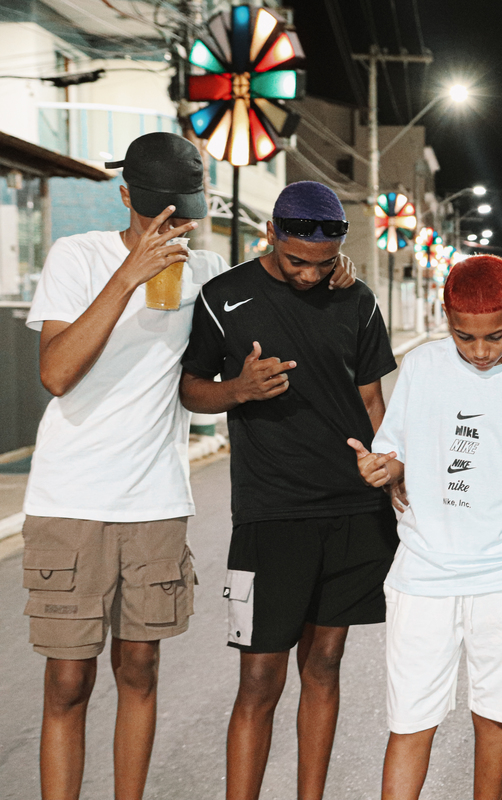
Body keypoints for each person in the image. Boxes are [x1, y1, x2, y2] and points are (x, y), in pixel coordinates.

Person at [179, 181, 397, 800]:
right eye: (297, 260)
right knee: (258, 680)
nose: (309, 275)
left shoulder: (356, 298)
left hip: (352, 509)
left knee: (324, 664)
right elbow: (191, 388)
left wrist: (391, 470)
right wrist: (238, 390)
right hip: (269, 514)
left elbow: (372, 401)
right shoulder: (224, 298)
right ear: (270, 234)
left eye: (322, 264)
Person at [19, 131, 209, 800]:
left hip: (155, 501)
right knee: (68, 680)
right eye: (159, 210)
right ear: (126, 196)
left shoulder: (206, 270)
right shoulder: (77, 256)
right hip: (70, 499)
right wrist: (128, 276)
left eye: (183, 212)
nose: (172, 225)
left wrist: (336, 268)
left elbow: (277, 285)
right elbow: (56, 373)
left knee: (140, 670)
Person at [348, 255, 502, 800]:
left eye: (495, 336)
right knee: (410, 724)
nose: (480, 351)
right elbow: (397, 454)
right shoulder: (422, 366)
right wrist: (382, 469)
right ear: (446, 317)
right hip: (423, 577)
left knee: (496, 722)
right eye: (464, 336)